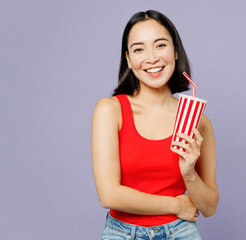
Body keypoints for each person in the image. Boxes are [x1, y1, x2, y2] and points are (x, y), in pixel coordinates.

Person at [91, 10, 219, 240]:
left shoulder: (198, 121)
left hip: (181, 232)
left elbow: (209, 207)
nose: (152, 58)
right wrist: (175, 205)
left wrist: (189, 174)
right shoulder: (110, 110)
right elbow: (109, 195)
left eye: (160, 45)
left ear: (176, 52)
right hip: (122, 233)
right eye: (139, 49)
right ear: (129, 60)